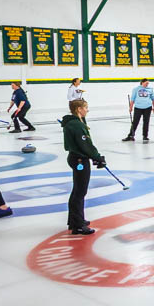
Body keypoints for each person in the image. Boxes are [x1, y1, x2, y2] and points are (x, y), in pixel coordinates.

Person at [62, 98, 105, 235]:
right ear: (79, 109)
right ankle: (78, 225)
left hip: (76, 157)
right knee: (80, 192)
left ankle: (75, 220)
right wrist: (97, 157)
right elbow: (85, 145)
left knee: (77, 190)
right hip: (79, 159)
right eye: (85, 107)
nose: (87, 110)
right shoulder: (76, 125)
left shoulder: (77, 122)